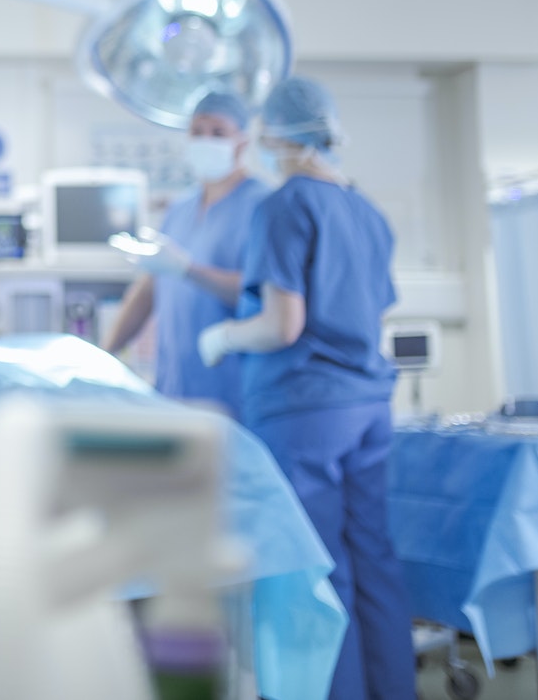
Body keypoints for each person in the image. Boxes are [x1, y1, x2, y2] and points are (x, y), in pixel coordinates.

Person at [199, 77, 413, 700]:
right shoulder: (367, 210)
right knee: (373, 556)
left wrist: (226, 339)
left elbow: (282, 323)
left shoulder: (284, 204)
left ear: (280, 137)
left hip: (306, 410)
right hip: (369, 404)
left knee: (315, 567)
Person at [103, 90, 268, 418]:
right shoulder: (180, 208)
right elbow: (150, 288)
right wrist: (105, 353)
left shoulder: (263, 205)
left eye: (218, 133)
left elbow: (263, 294)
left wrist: (188, 270)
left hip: (233, 389)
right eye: (197, 132)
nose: (206, 140)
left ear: (242, 142)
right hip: (175, 386)